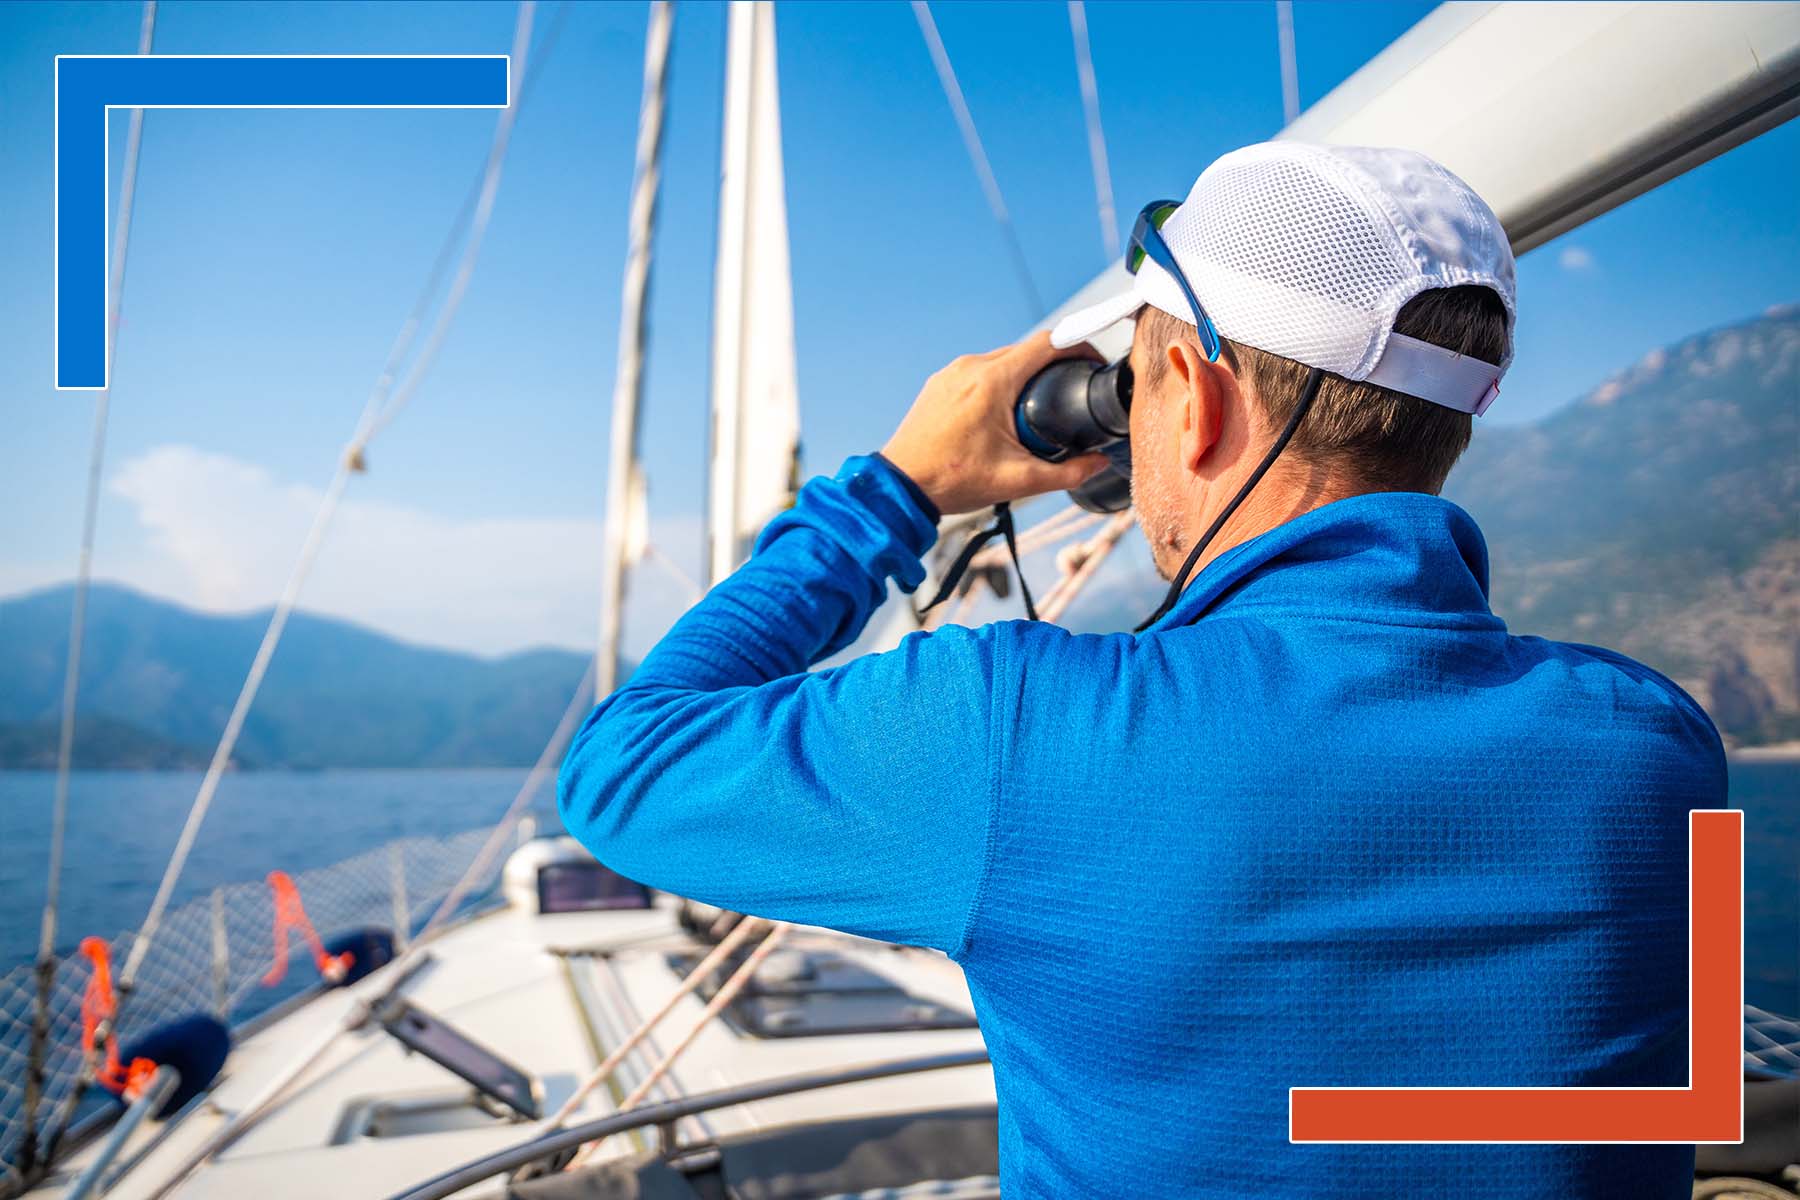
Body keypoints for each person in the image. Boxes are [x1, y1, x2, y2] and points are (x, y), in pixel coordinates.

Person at [558, 142, 1726, 1198]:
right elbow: (1684, 1086)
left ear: (1201, 403)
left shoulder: (1017, 729)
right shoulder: (1668, 752)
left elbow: (618, 770)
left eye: (1143, 378)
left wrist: (894, 492)